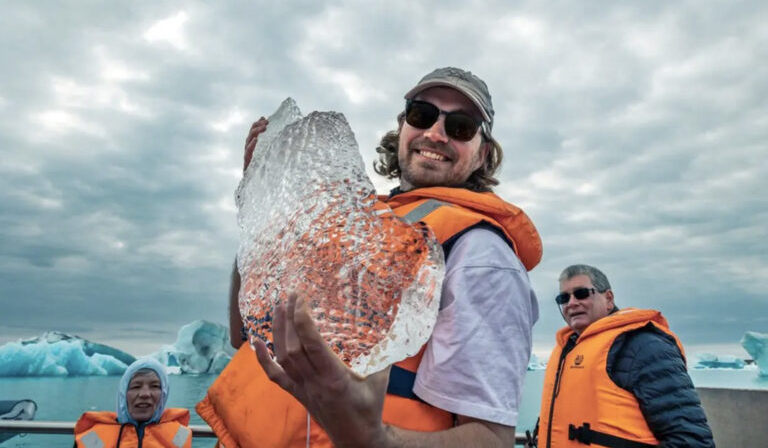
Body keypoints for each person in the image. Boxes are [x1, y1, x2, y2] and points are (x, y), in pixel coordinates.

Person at [197, 67, 543, 447]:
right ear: (403, 126)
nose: (434, 133)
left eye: (460, 126)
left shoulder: (480, 254)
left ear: (483, 155)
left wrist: (373, 440)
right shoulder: (355, 226)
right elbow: (242, 333)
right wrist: (260, 209)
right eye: (422, 115)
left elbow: (491, 440)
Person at [534, 264, 714, 447]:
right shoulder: (568, 350)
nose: (572, 303)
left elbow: (691, 441)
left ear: (609, 299)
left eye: (581, 293)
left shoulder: (642, 346)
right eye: (564, 298)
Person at [74, 357, 192, 448]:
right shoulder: (93, 438)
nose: (145, 394)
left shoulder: (179, 435)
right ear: (123, 393)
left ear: (164, 394)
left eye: (155, 386)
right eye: (136, 386)